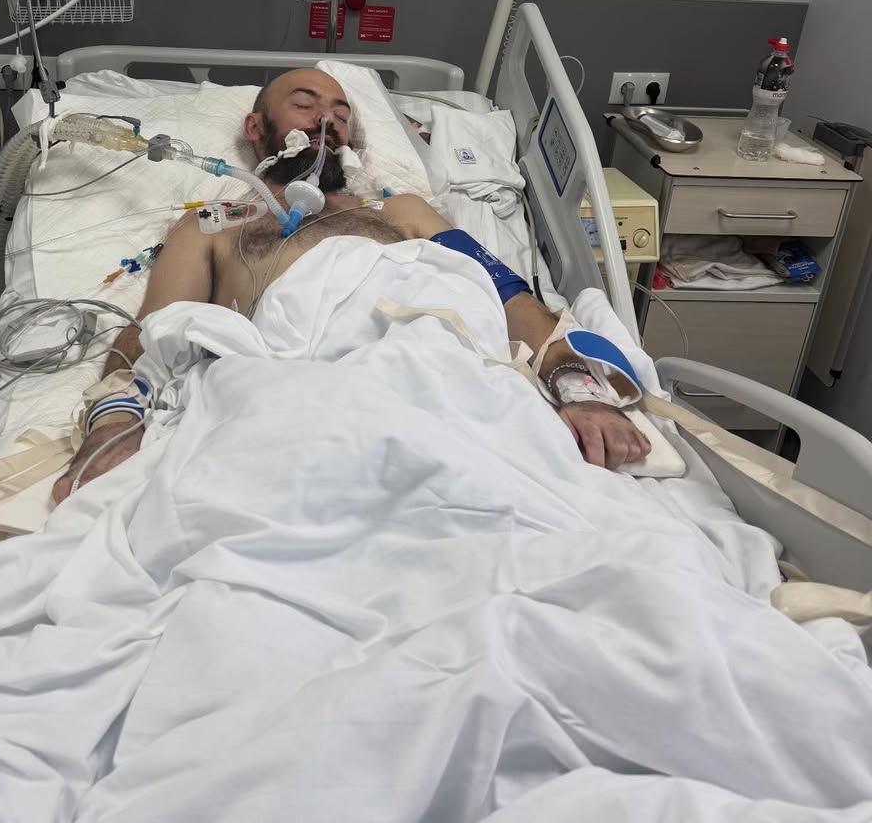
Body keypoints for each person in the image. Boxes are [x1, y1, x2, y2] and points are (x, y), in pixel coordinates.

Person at [53, 69, 649, 500]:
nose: (326, 120)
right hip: (288, 398)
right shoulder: (215, 223)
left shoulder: (400, 210)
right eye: (305, 104)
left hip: (443, 385)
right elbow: (152, 332)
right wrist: (114, 422)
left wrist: (579, 388)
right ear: (256, 126)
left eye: (341, 113)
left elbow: (501, 291)